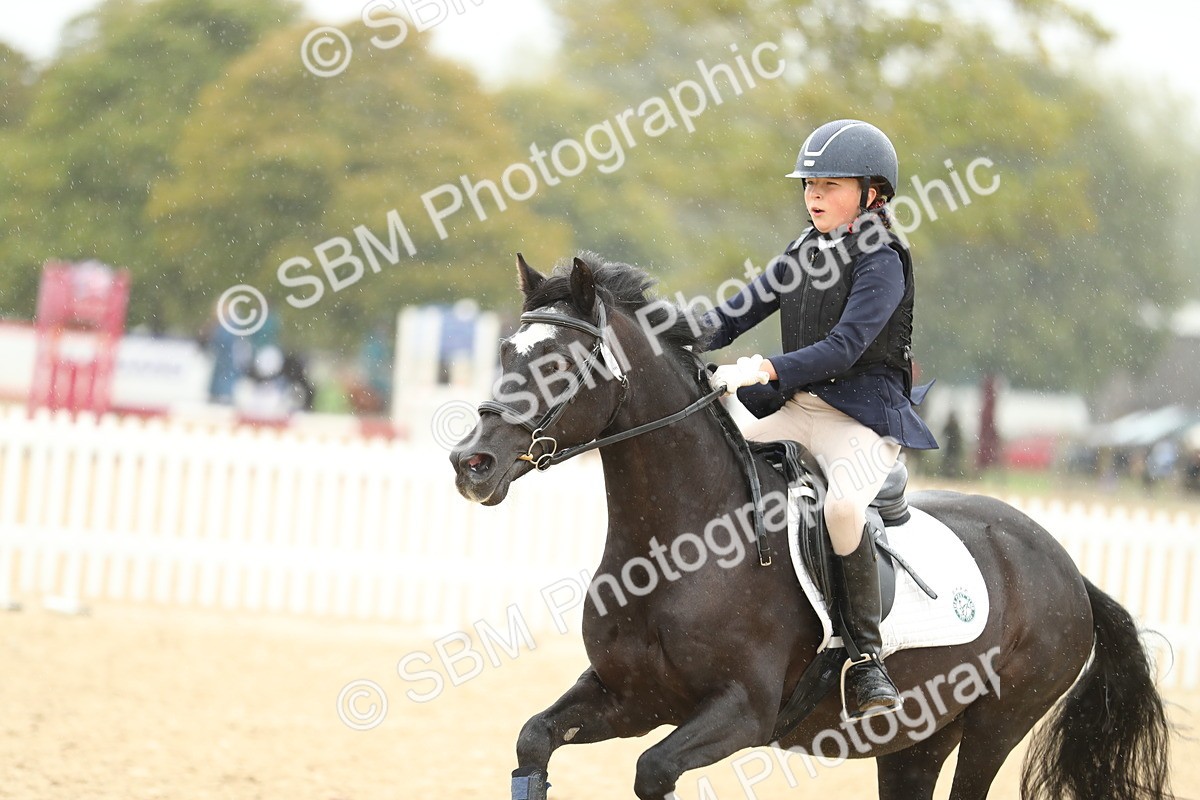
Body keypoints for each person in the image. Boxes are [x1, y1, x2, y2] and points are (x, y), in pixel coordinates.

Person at [703, 119, 938, 717]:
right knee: (711, 458)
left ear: (872, 193)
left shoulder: (882, 260)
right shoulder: (802, 250)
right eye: (808, 183)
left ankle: (865, 658)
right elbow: (731, 316)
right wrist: (654, 332)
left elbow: (844, 348)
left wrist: (765, 370)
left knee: (840, 507)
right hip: (797, 410)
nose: (812, 195)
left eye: (829, 184)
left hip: (860, 420)